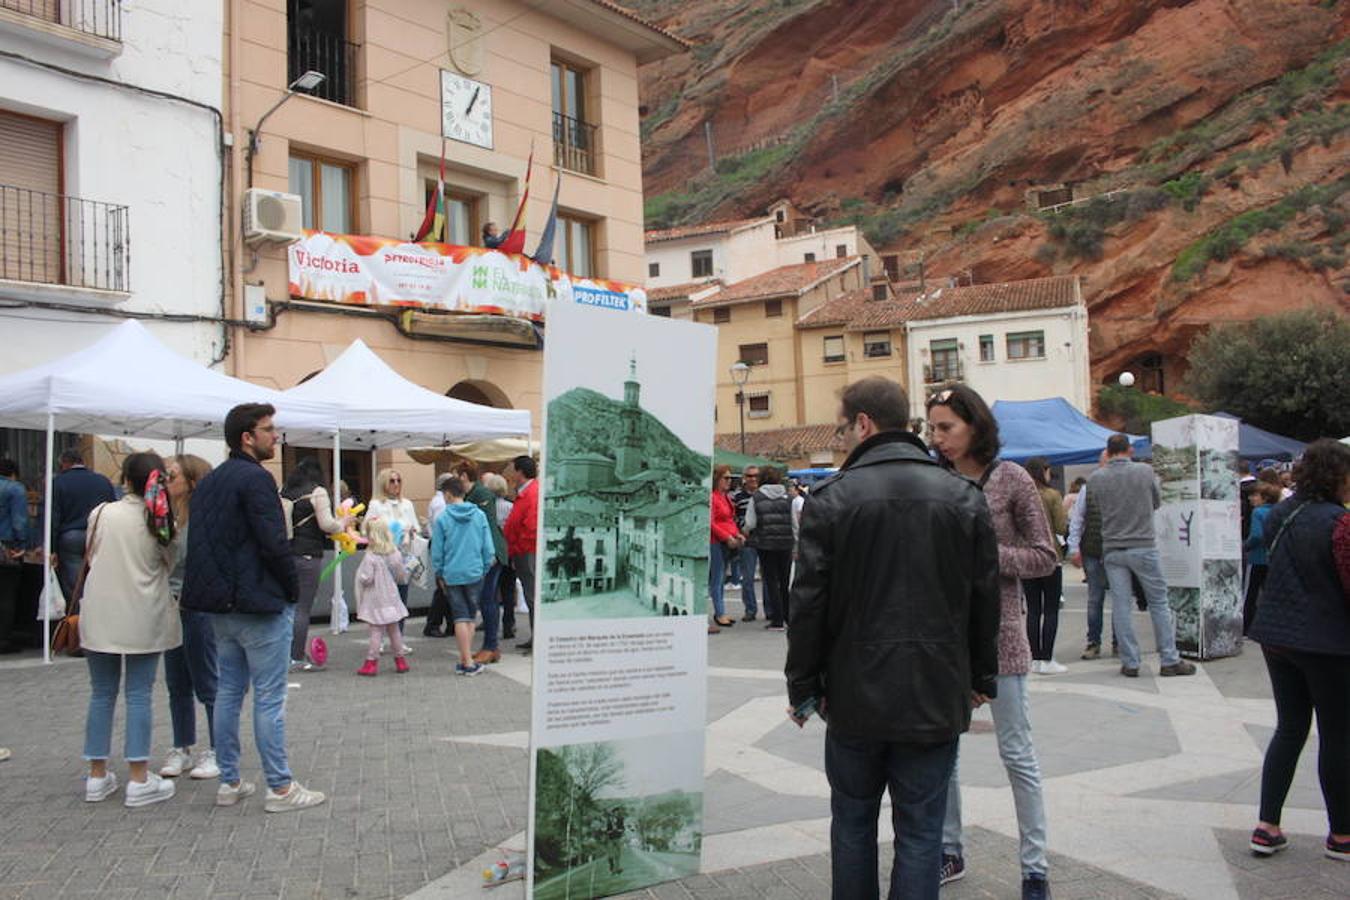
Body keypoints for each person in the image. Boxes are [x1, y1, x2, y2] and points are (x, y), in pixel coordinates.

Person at [786, 377, 1000, 900]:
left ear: (863, 423)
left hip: (853, 695)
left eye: (843, 427)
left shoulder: (832, 498)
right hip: (935, 690)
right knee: (923, 832)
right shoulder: (964, 496)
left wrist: (803, 685)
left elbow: (807, 603)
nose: (842, 437)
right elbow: (983, 599)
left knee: (853, 824)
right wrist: (980, 677)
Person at [927, 384, 1057, 900]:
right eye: (932, 428)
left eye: (947, 428)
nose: (938, 439)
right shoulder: (933, 480)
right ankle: (948, 848)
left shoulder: (1011, 479)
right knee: (945, 754)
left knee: (1017, 752)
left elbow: (1044, 555)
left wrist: (985, 557)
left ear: (975, 426)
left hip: (1002, 635)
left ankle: (1035, 866)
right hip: (944, 637)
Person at [182, 403, 325, 812]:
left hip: (221, 606)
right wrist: (289, 589)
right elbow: (272, 542)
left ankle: (230, 780)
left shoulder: (210, 483)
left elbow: (205, 545)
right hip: (256, 602)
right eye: (269, 430)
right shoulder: (256, 479)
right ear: (248, 437)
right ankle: (280, 787)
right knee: (268, 696)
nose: (275, 436)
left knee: (228, 691)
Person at [1247, 439, 1350, 862]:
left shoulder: (1278, 514)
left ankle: (1266, 825)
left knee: (1290, 728)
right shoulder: (1340, 522)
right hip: (1327, 641)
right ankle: (1342, 834)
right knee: (1338, 735)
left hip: (1276, 636)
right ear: (1338, 476)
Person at [79, 452, 179, 808]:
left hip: (100, 610)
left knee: (101, 693)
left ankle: (96, 774)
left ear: (125, 479)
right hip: (143, 612)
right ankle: (138, 778)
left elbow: (90, 556)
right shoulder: (162, 520)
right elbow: (169, 563)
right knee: (139, 693)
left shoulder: (101, 513)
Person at [1089, 434, 1196, 679]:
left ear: (1108, 451)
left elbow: (1097, 506)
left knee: (1121, 605)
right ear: (1129, 449)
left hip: (1113, 548)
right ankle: (1169, 659)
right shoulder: (1145, 472)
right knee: (1158, 603)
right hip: (1143, 544)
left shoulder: (1096, 478)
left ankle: (1130, 661)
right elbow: (1156, 502)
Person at [158, 455, 220, 781]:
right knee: (176, 680)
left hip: (196, 605)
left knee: (206, 679)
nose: (166, 481)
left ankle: (217, 748)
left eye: (172, 475)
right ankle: (182, 746)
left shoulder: (202, 518)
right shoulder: (168, 514)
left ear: (191, 481)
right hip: (171, 604)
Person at [281, 456, 346, 669]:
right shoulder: (317, 492)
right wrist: (343, 523)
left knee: (288, 608)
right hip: (308, 554)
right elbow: (326, 524)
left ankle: (284, 654)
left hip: (287, 554)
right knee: (302, 608)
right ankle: (296, 657)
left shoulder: (284, 491)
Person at [431, 476, 495, 676]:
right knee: (470, 616)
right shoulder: (479, 515)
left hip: (452, 573)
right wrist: (484, 567)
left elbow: (437, 551)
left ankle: (466, 660)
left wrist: (439, 572)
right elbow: (488, 547)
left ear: (449, 494)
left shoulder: (442, 518)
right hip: (475, 571)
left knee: (460, 616)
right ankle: (466, 660)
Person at [50, 449, 117, 602]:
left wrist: (51, 548)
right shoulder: (103, 480)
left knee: (75, 586)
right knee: (99, 579)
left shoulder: (58, 482)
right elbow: (113, 510)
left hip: (71, 537)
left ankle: (77, 618)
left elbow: (54, 517)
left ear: (64, 464)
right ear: (82, 462)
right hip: (98, 535)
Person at [1022, 457, 1068, 675]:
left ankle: (1034, 658)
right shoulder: (1052, 495)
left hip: (1026, 557)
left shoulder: (1020, 496)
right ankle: (1047, 659)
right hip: (1050, 556)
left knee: (1033, 609)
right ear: (1044, 472)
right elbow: (1060, 525)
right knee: (1050, 609)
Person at [1068, 452, 1116, 659]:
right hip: (1093, 551)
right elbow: (1077, 520)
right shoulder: (1087, 490)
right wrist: (1074, 548)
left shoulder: (1120, 487)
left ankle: (1119, 642)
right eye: (1105, 461)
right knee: (1095, 598)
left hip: (1115, 550)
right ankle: (1093, 642)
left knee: (1119, 600)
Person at [463, 464, 510, 665]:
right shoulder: (476, 493)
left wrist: (487, 556)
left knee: (487, 599)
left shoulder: (481, 494)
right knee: (487, 599)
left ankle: (490, 647)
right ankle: (492, 647)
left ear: (464, 476)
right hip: (488, 553)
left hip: (491, 554)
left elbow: (486, 527)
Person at [354, 517, 410, 676]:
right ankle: (400, 660)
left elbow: (366, 578)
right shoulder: (394, 553)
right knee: (394, 630)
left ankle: (371, 662)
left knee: (376, 631)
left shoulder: (371, 556)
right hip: (391, 596)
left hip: (375, 599)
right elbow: (401, 574)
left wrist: (361, 579)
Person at [366, 469, 421, 618]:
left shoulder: (407, 504)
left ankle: (399, 636)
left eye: (398, 480)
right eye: (392, 481)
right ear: (383, 483)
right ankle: (383, 635)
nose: (396, 484)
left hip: (404, 556)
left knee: (402, 596)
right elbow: (367, 529)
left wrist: (412, 531)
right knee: (384, 598)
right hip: (384, 557)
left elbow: (417, 527)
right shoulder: (376, 504)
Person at [744, 466, 793, 632]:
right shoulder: (789, 497)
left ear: (762, 479)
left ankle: (777, 620)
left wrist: (745, 531)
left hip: (766, 544)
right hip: (786, 543)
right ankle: (789, 617)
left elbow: (750, 523)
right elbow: (795, 523)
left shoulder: (756, 497)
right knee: (785, 582)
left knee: (771, 581)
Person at [502, 455, 538, 652]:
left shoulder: (531, 493)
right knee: (530, 594)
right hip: (522, 551)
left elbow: (530, 528)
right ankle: (535, 637)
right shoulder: (526, 492)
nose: (510, 472)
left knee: (532, 596)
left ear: (520, 472)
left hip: (526, 552)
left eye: (512, 468)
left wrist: (519, 550)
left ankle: (538, 640)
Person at [1242, 483, 1282, 635]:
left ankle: (1246, 627)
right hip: (1272, 558)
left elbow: (1257, 535)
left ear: (1264, 498)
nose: (1251, 498)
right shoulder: (1278, 512)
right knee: (1269, 593)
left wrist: (1246, 546)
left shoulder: (1257, 512)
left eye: (1254, 495)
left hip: (1256, 557)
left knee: (1249, 594)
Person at [708, 465, 743, 635]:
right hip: (716, 542)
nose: (729, 481)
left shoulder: (725, 497)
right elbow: (711, 522)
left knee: (721, 578)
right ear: (717, 479)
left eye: (730, 478)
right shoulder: (713, 498)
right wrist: (726, 537)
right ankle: (719, 613)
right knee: (717, 578)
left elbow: (729, 520)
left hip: (727, 541)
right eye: (726, 478)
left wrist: (737, 534)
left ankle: (721, 612)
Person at [423, 472, 455, 637]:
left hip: (439, 546)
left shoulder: (437, 501)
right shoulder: (441, 503)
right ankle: (433, 624)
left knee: (445, 588)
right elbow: (441, 528)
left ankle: (449, 624)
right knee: (443, 588)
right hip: (442, 547)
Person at [486, 472, 518, 640]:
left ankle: (491, 625)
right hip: (508, 552)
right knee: (508, 591)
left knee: (491, 591)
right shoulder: (510, 507)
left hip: (492, 553)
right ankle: (508, 625)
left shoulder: (487, 508)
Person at [0, 459, 27, 655]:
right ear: (14, 473)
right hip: (7, 546)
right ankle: (3, 639)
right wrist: (22, 544)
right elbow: (19, 520)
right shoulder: (15, 489)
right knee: (7, 593)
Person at [731, 466, 760, 622]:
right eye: (749, 475)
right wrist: (739, 532)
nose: (753, 478)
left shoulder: (763, 495)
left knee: (768, 579)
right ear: (744, 477)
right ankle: (750, 609)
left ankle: (770, 610)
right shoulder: (737, 497)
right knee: (747, 577)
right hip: (747, 540)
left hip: (764, 540)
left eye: (756, 475)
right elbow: (732, 517)